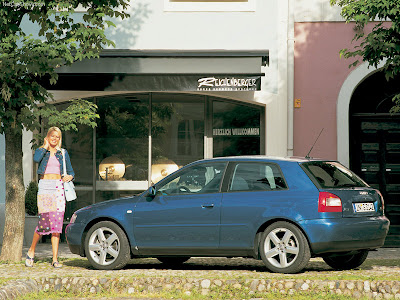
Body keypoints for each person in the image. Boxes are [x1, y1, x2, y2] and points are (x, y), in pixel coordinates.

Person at [25, 127, 75, 268]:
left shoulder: (63, 153)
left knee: (57, 224)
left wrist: (70, 176)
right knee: (43, 222)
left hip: (58, 187)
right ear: (48, 137)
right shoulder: (42, 151)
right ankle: (32, 250)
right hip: (45, 187)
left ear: (60, 138)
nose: (55, 138)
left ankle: (54, 259)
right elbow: (36, 159)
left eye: (57, 136)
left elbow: (71, 171)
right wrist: (45, 146)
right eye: (52, 136)